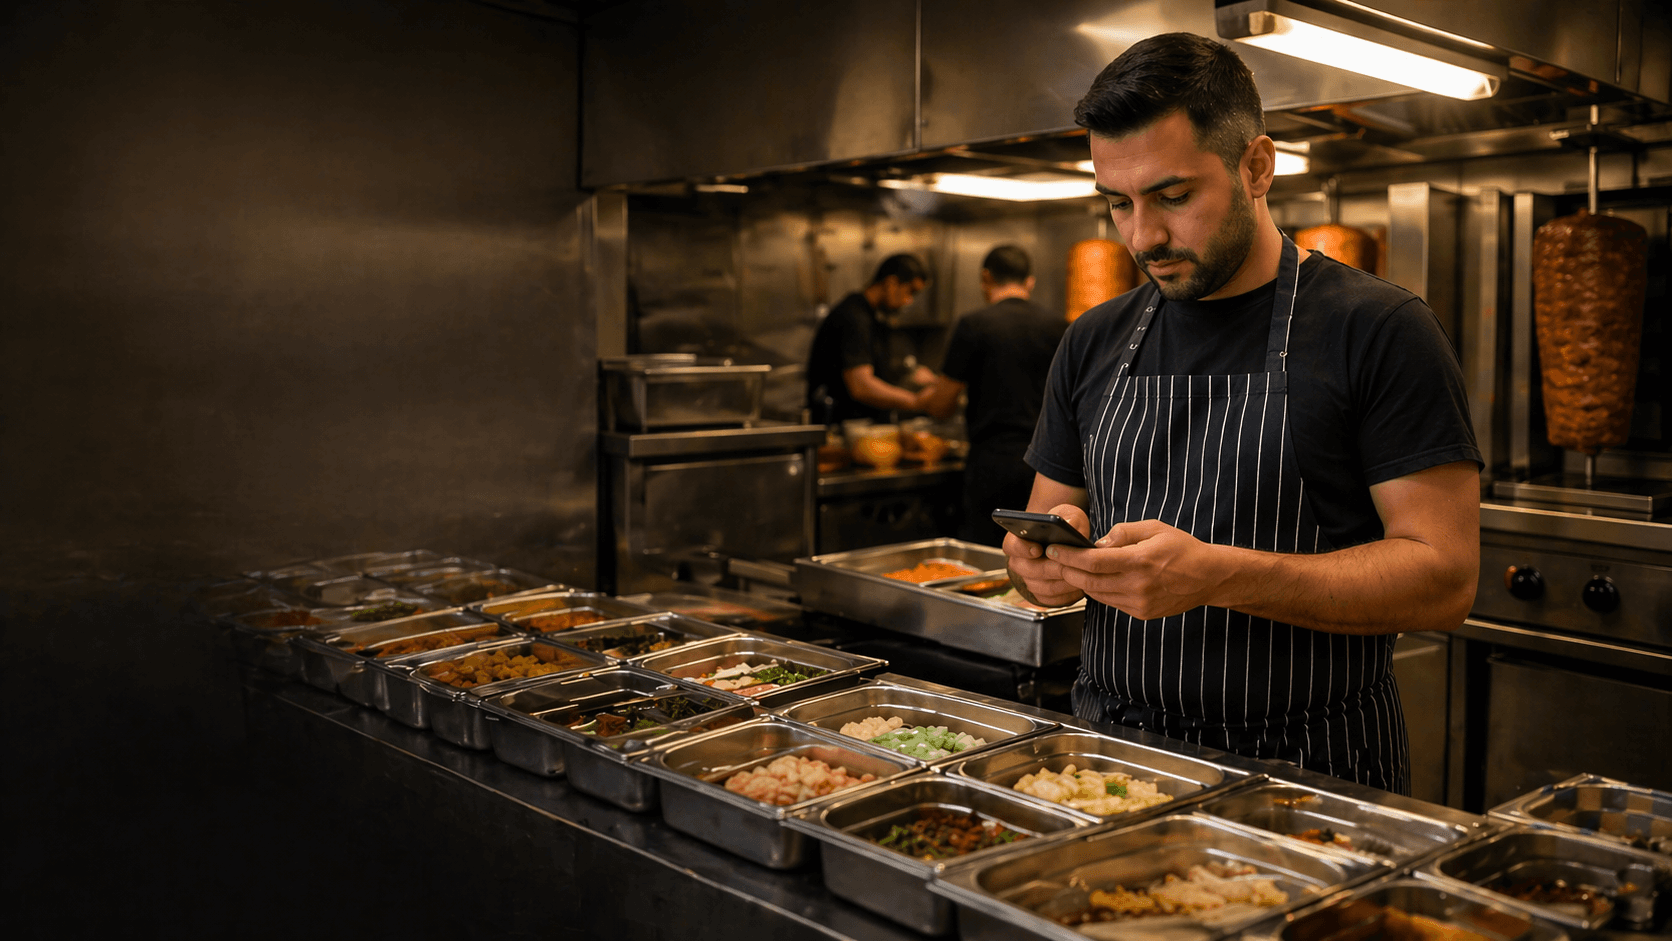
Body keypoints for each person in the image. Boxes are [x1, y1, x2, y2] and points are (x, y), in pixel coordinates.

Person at [1005, 33, 1481, 794]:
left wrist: (1219, 575)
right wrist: (1039, 566)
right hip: (1113, 766)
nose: (1143, 236)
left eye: (1173, 195)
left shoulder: (1380, 329)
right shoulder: (1093, 339)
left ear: (1257, 166)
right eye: (1118, 204)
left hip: (1310, 773)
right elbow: (1039, 535)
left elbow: (1443, 579)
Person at [921, 245, 1066, 545]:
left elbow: (941, 405)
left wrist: (922, 397)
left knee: (985, 559)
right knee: (1038, 559)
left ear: (985, 278)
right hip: (1047, 468)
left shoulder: (974, 325)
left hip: (992, 465)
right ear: (1030, 281)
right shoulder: (1060, 327)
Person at [805, 253, 935, 425]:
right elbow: (861, 386)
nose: (909, 301)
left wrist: (914, 375)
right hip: (840, 430)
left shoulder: (872, 316)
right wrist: (916, 401)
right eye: (910, 291)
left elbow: (877, 369)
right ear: (891, 283)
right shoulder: (854, 317)